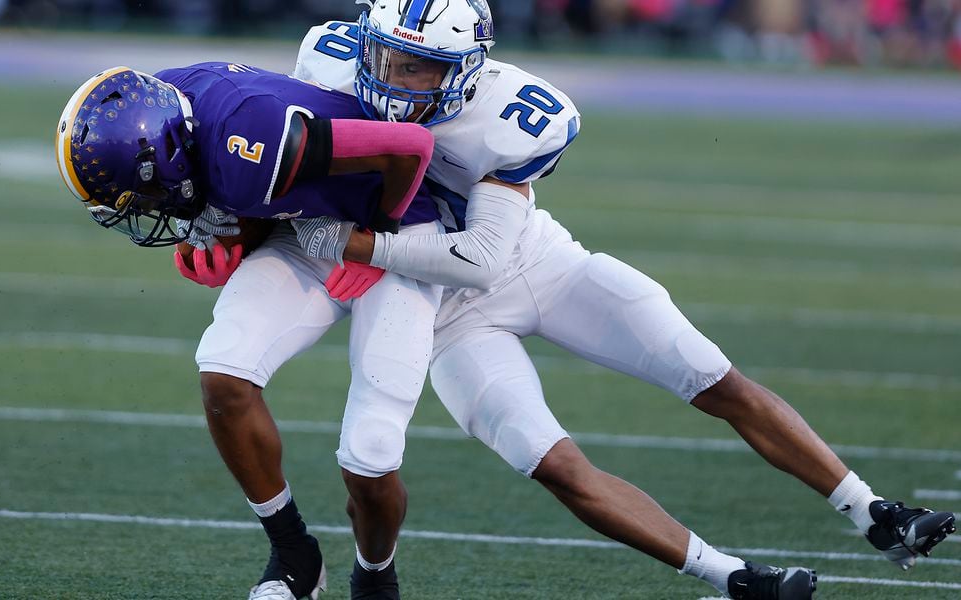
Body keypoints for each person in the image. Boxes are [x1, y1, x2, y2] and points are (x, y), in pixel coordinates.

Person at [288, 1, 957, 598]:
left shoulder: (510, 117)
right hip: (442, 319)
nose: (395, 81)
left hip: (538, 265)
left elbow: (480, 258)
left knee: (714, 377)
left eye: (420, 69)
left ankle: (873, 512)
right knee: (555, 464)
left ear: (465, 69)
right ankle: (733, 580)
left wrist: (349, 244)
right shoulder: (330, 61)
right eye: (389, 58)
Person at [55, 63, 446, 600]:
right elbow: (255, 191)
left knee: (370, 450)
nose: (145, 210)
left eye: (140, 196)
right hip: (305, 225)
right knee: (224, 372)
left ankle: (376, 578)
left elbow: (407, 147)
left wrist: (379, 237)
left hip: (396, 224)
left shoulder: (249, 134)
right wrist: (233, 234)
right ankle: (293, 555)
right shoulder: (163, 107)